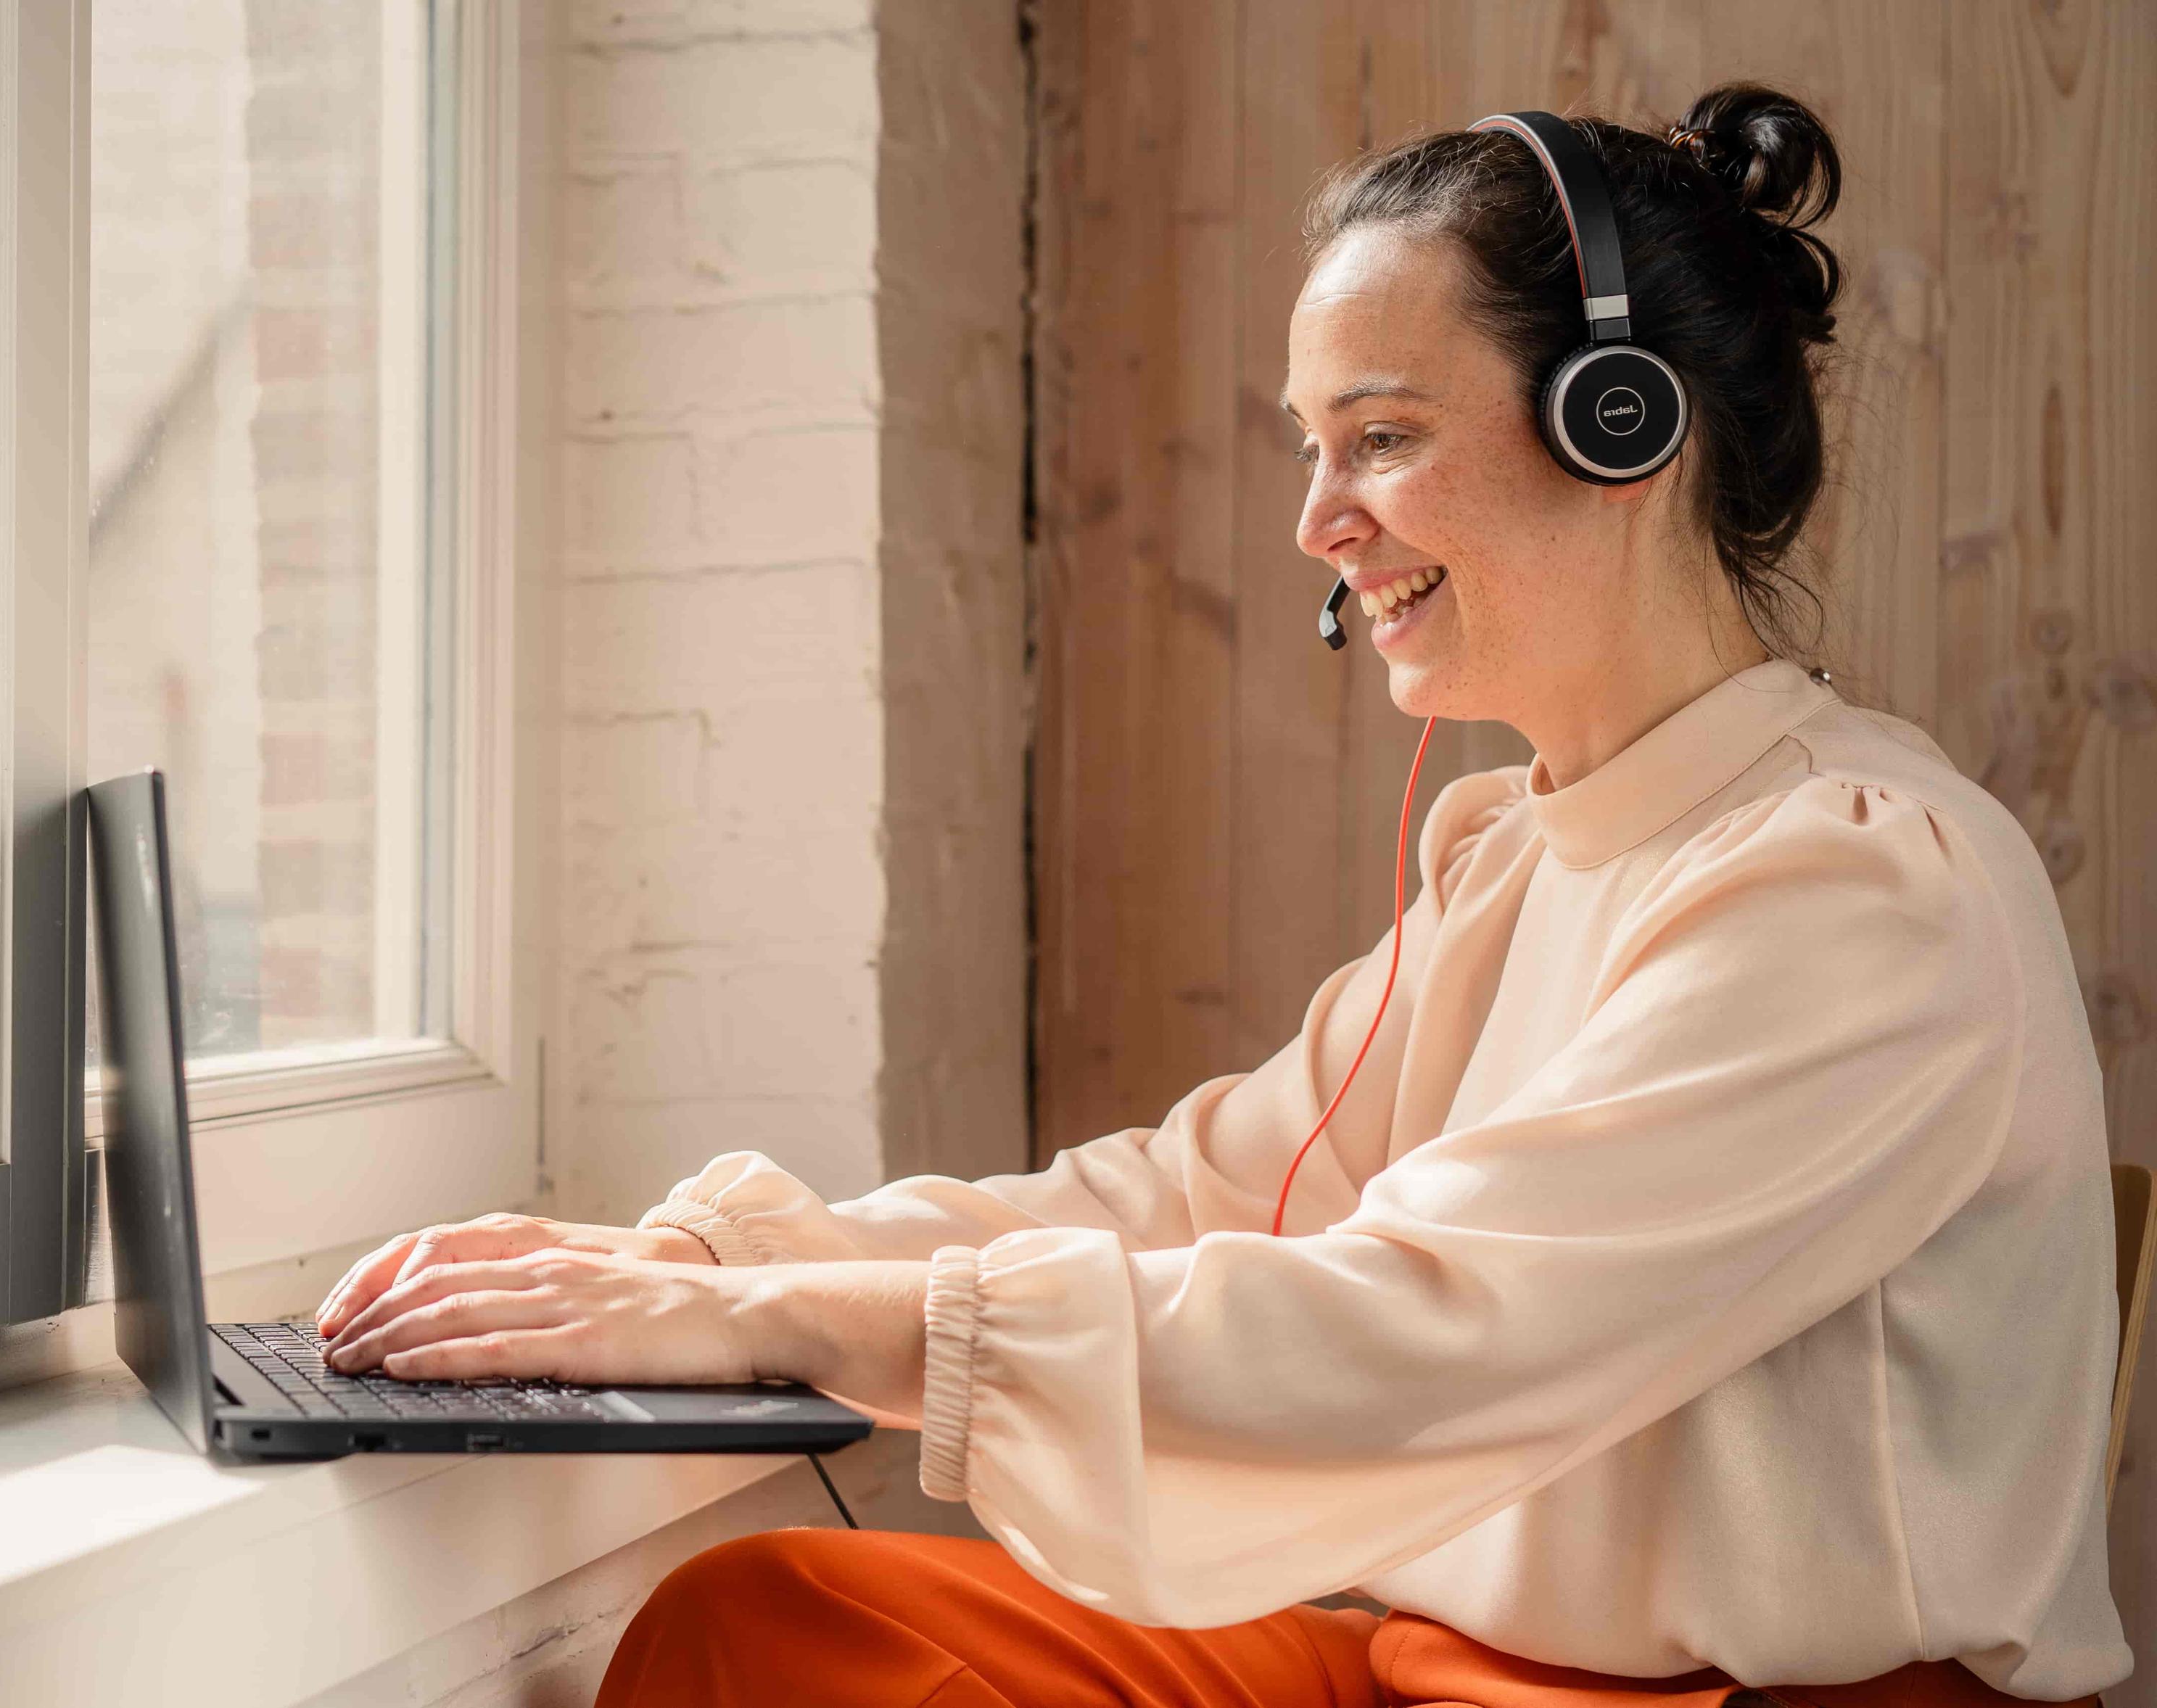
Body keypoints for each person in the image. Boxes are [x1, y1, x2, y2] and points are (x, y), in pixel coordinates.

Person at [310, 84, 2130, 1707]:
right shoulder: (1522, 853)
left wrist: (778, 1329)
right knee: (773, 1621)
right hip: (1429, 1659)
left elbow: (1420, 1320)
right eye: (1307, 442)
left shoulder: (1863, 891)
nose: (1318, 519)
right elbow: (1204, 1189)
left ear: (1621, 420)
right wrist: (731, 1257)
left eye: (1384, 434)